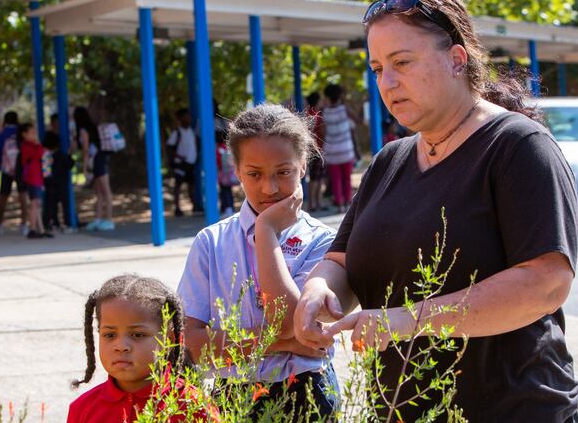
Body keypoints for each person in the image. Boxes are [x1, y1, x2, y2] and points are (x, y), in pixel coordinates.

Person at [293, 0, 578, 422]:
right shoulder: (390, 159)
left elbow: (545, 284)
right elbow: (343, 259)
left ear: (457, 60)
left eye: (402, 62)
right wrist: (319, 291)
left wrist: (408, 319)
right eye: (377, 68)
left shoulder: (519, 147)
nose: (386, 83)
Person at [177, 103, 340, 421]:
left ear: (303, 165)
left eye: (284, 172)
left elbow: (292, 320)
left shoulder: (324, 241)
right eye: (254, 174)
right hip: (234, 394)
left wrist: (265, 232)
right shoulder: (211, 243)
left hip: (309, 392)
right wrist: (284, 341)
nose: (271, 188)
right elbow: (190, 346)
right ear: (236, 171)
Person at [67, 274, 187, 423]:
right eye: (110, 335)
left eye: (137, 335)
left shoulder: (191, 405)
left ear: (168, 341)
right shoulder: (82, 408)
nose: (121, 346)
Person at [74, 106, 115, 231]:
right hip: (99, 159)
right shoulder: (92, 127)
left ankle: (109, 219)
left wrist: (84, 168)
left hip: (98, 161)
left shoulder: (83, 130)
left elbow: (85, 150)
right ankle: (98, 219)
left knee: (106, 191)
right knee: (99, 192)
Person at [321, 84, 358, 213]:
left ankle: (340, 204)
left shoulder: (325, 112)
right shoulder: (344, 109)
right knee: (347, 178)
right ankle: (348, 203)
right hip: (346, 149)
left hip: (332, 150)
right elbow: (357, 120)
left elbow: (323, 132)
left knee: (335, 179)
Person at [0, 111, 28, 235]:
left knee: (3, 197)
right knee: (23, 196)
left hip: (6, 170)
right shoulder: (22, 133)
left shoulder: (1, 135)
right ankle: (24, 224)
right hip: (21, 168)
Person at [19, 123, 51, 239]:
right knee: (34, 203)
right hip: (32, 178)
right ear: (24, 134)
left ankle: (41, 229)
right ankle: (32, 228)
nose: (34, 135)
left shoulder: (32, 146)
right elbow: (39, 154)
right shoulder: (26, 147)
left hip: (38, 177)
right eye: (31, 133)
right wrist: (38, 144)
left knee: (38, 204)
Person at [166, 108, 199, 217]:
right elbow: (169, 147)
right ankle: (177, 208)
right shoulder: (177, 132)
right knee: (178, 185)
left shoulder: (191, 131)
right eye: (186, 116)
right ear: (180, 118)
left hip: (190, 163)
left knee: (191, 185)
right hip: (180, 163)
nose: (189, 118)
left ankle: (194, 205)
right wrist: (179, 157)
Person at [42, 131, 75, 234]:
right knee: (65, 205)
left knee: (51, 205)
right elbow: (70, 164)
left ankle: (53, 223)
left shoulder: (45, 156)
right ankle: (67, 224)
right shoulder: (61, 155)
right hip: (62, 184)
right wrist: (69, 153)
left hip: (50, 184)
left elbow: (45, 172)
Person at [305, 92, 326, 212]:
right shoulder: (316, 116)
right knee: (317, 178)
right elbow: (321, 132)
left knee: (314, 178)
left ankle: (313, 203)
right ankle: (316, 203)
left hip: (312, 150)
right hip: (317, 149)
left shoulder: (308, 115)